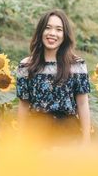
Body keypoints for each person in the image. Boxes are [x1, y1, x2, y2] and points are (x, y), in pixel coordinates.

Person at [16, 9, 91, 146]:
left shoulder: (77, 65)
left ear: (65, 34)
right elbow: (23, 104)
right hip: (36, 133)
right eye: (48, 28)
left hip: (68, 132)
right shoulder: (26, 65)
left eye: (59, 29)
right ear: (41, 31)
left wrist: (86, 140)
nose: (52, 33)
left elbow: (83, 103)